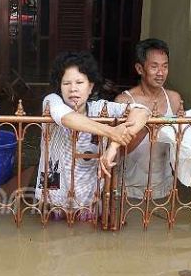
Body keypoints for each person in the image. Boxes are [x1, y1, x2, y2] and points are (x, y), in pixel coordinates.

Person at [34, 51, 150, 216]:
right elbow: (66, 118)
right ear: (59, 86)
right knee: (49, 234)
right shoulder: (51, 101)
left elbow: (142, 111)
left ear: (90, 87)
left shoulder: (100, 109)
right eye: (66, 83)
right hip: (52, 197)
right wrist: (111, 132)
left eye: (79, 82)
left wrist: (113, 147)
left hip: (88, 200)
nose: (73, 88)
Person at [114, 38, 183, 201]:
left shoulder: (173, 98)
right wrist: (146, 128)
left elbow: (180, 145)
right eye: (154, 66)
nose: (161, 73)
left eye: (165, 66)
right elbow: (117, 150)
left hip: (163, 188)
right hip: (128, 190)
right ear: (139, 68)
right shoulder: (124, 101)